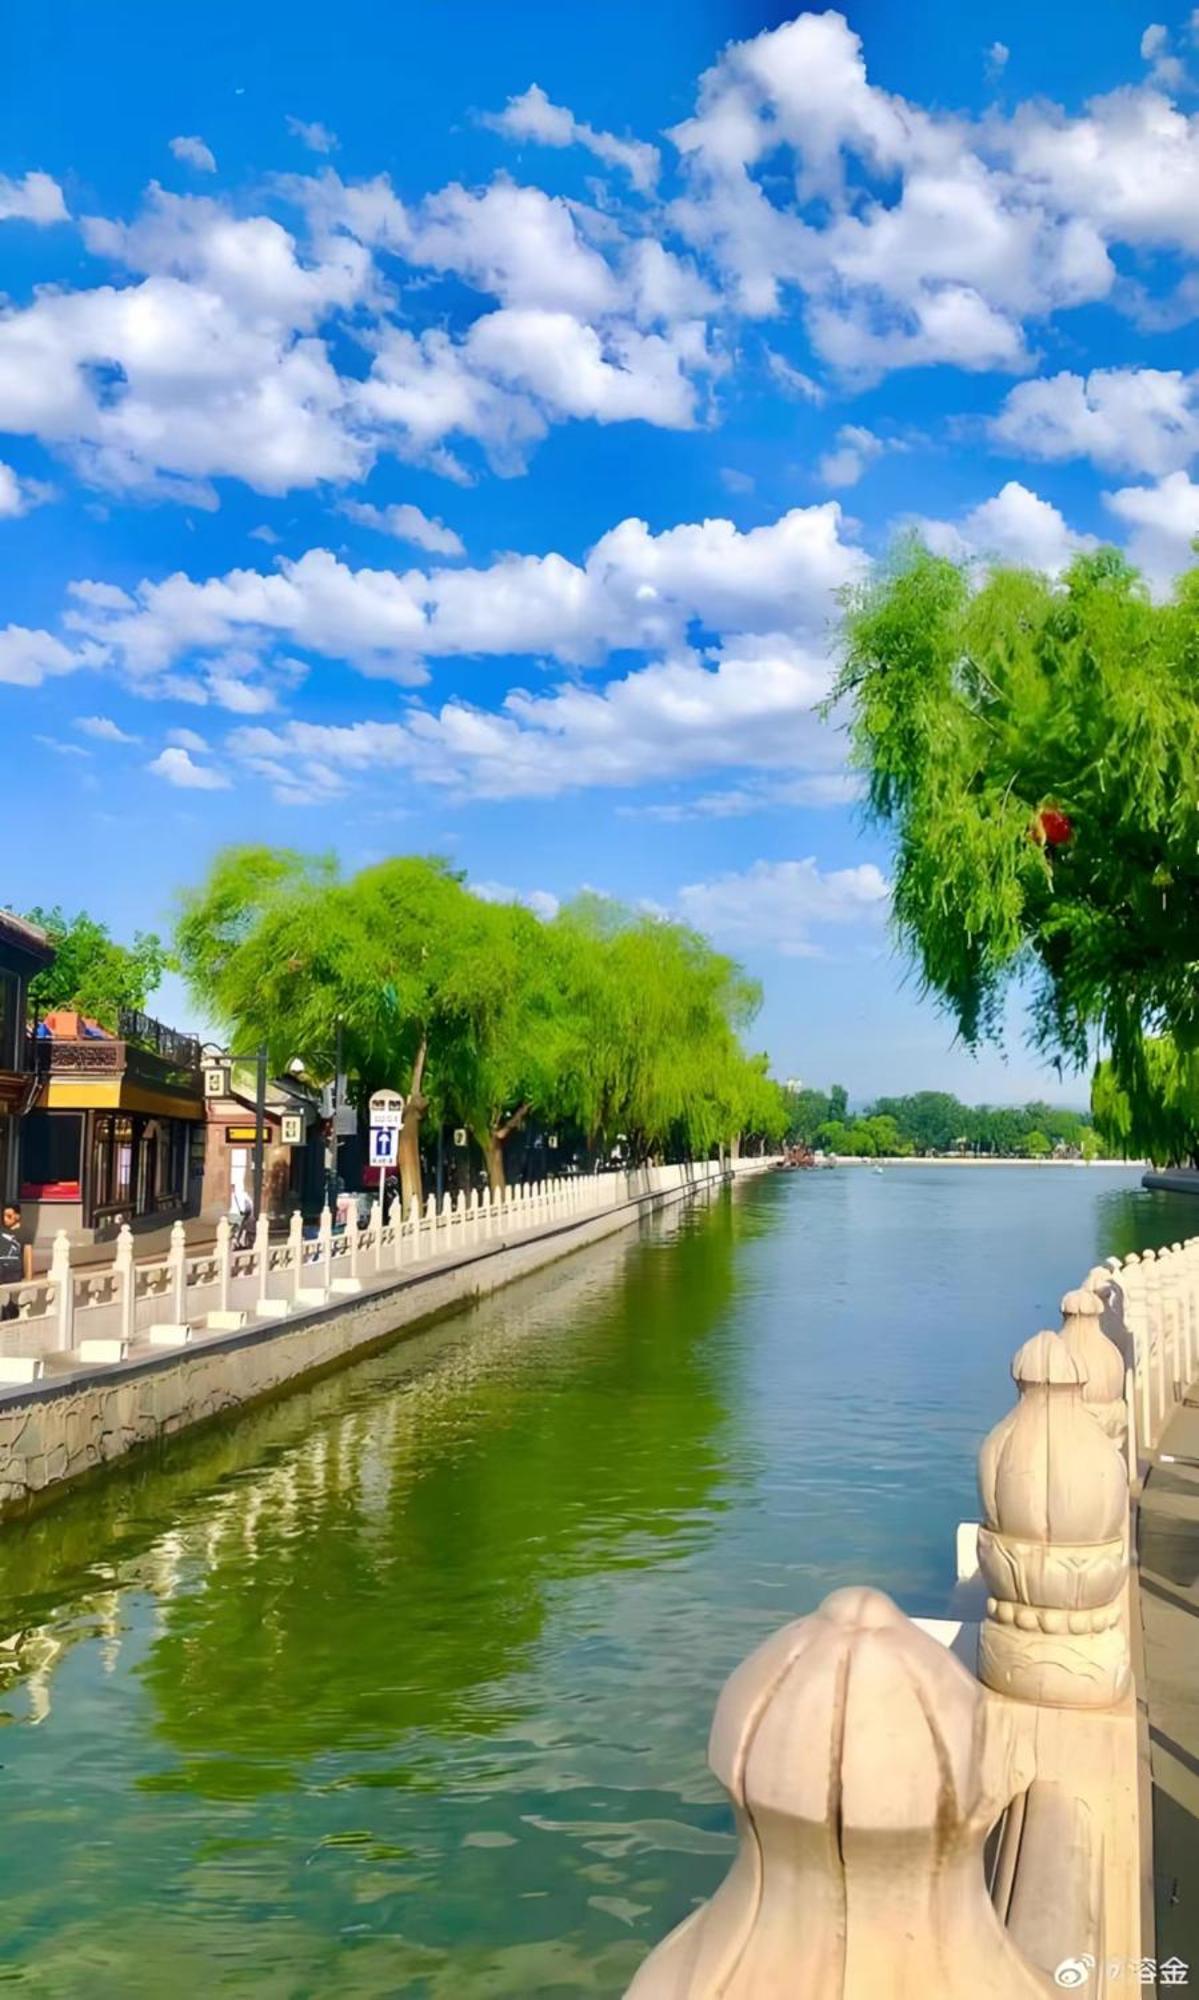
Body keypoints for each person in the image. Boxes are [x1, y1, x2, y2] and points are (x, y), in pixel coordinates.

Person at [0, 1199, 33, 1321]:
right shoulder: (2, 1231)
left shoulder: (25, 1233)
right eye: (3, 1215)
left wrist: (29, 1280)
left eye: (9, 1216)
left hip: (14, 1273)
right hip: (1, 1270)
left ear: (17, 1216)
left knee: (9, 1299)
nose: (5, 1219)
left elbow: (28, 1255)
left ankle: (11, 1314)